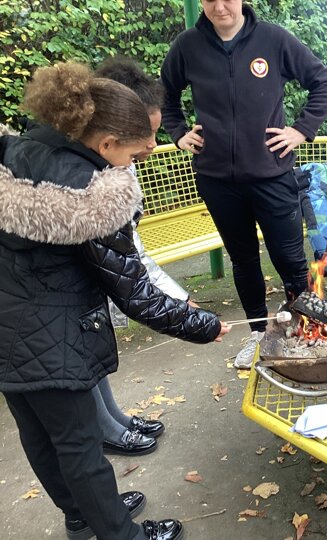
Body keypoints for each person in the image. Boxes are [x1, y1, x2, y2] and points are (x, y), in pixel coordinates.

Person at [0, 62, 230, 540]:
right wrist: (202, 324)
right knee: (80, 445)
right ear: (105, 144)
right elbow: (135, 293)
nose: (144, 155)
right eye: (135, 151)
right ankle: (120, 533)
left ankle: (84, 514)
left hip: (9, 317)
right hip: (49, 330)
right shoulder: (92, 195)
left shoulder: (28, 148)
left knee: (40, 434)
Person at [160, 0, 327, 369]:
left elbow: (323, 82)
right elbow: (164, 95)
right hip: (217, 180)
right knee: (243, 261)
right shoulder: (187, 46)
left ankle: (307, 331)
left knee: (290, 261)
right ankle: (258, 334)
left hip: (273, 176)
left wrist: (301, 130)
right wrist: (178, 132)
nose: (219, 6)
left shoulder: (273, 39)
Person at [92, 56, 200, 456]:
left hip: (78, 288)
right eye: (147, 135)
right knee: (78, 351)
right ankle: (103, 428)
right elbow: (128, 257)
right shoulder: (94, 175)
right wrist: (177, 302)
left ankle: (112, 417)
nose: (154, 145)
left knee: (90, 344)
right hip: (39, 296)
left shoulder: (118, 157)